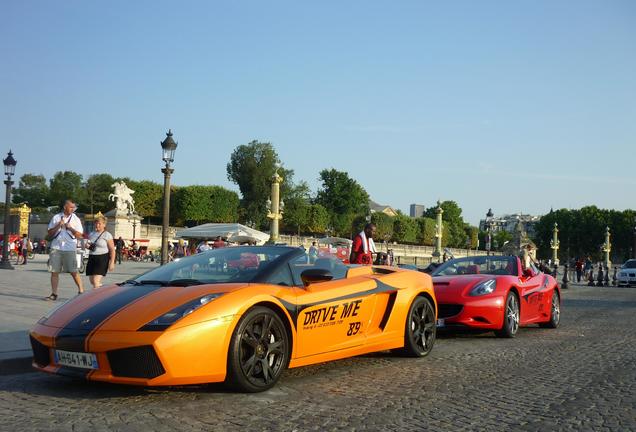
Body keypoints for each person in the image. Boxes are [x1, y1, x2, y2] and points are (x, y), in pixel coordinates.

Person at [46, 199, 84, 300]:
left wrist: (70, 228)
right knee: (54, 271)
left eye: (74, 207)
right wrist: (58, 224)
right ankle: (54, 293)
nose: (73, 209)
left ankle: (81, 290)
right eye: (71, 207)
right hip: (56, 247)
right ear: (65, 207)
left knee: (73, 271)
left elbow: (79, 235)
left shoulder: (75, 219)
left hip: (70, 247)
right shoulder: (56, 217)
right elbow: (50, 233)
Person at [86, 215, 116, 289]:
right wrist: (87, 246)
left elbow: (112, 249)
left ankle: (95, 298)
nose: (97, 225)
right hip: (92, 257)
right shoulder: (91, 234)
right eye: (96, 223)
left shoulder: (107, 235)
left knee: (96, 281)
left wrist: (111, 262)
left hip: (102, 258)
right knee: (92, 281)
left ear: (104, 225)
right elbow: (90, 245)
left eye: (99, 223)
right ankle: (102, 290)